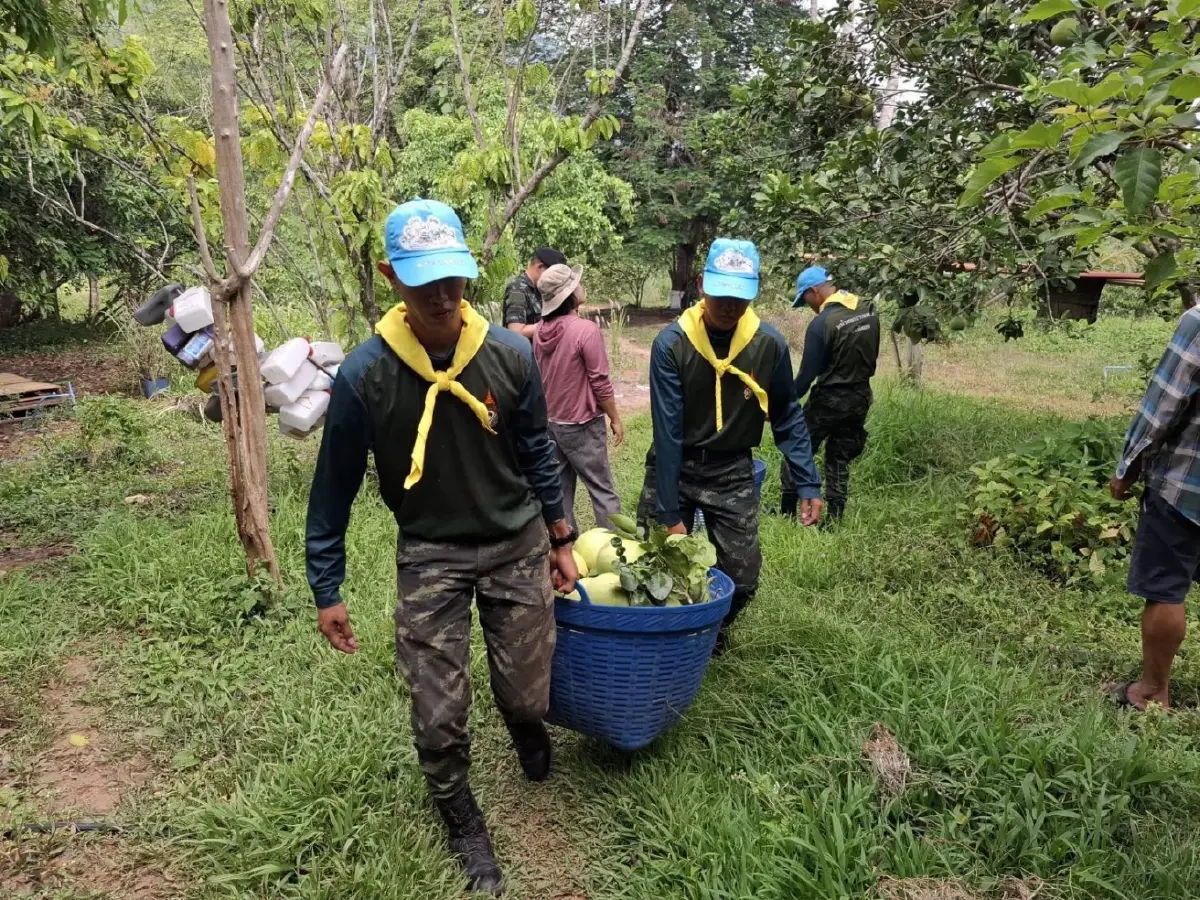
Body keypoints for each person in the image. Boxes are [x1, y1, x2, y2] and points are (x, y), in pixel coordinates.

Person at [305, 198, 579, 896]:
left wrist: (561, 534)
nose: (440, 294)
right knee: (437, 715)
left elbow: (537, 450)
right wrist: (326, 587)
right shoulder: (365, 375)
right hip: (431, 553)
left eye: (451, 277)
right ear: (390, 276)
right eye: (421, 278)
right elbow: (333, 488)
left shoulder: (510, 354)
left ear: (468, 272)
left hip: (515, 540)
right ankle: (461, 817)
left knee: (528, 693)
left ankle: (525, 725)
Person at [636, 238, 823, 654]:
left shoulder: (767, 344)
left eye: (739, 296)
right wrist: (669, 512)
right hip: (676, 464)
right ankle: (664, 645)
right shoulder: (672, 344)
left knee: (743, 576)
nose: (729, 306)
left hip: (731, 470)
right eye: (720, 293)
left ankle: (711, 634)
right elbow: (667, 432)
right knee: (653, 563)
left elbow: (787, 413)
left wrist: (808, 481)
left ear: (754, 292)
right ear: (702, 285)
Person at [1109, 305, 1199, 711]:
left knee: (1165, 587)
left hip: (1186, 486)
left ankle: (1151, 692)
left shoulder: (1199, 322)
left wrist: (1128, 467)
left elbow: (1163, 404)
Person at [780, 265, 880, 523]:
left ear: (815, 291)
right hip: (860, 397)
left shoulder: (821, 323)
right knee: (839, 456)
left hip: (829, 400)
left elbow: (805, 377)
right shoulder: (868, 310)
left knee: (797, 448)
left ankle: (787, 512)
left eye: (806, 300)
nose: (808, 306)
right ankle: (835, 518)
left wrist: (782, 403)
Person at [533, 263, 624, 530]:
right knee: (602, 489)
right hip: (582, 425)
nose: (581, 286)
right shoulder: (585, 330)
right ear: (570, 295)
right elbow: (600, 382)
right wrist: (615, 417)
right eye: (577, 284)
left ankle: (565, 547)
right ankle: (614, 547)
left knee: (561, 490)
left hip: (552, 422)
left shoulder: (540, 330)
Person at [504, 247, 567, 338]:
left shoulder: (540, 288)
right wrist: (552, 325)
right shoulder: (518, 289)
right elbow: (516, 332)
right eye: (552, 274)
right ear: (540, 267)